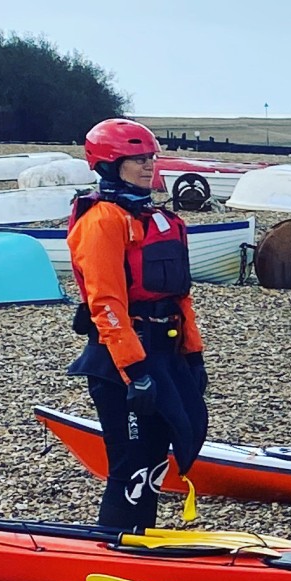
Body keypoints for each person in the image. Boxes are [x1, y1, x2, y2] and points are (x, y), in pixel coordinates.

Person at [64, 118, 209, 532]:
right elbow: (106, 304)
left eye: (150, 158)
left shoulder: (159, 220)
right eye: (136, 159)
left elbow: (180, 298)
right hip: (121, 364)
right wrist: (136, 371)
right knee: (130, 462)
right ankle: (115, 542)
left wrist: (193, 355)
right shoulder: (103, 221)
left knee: (155, 456)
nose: (149, 166)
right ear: (110, 165)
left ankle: (138, 537)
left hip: (163, 356)